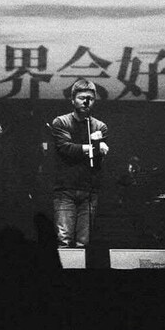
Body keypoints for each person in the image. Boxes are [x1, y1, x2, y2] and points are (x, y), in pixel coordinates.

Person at [50, 79, 109, 248]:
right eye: (82, 98)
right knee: (64, 240)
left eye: (90, 98)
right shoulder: (61, 122)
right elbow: (66, 148)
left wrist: (99, 151)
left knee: (84, 242)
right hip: (65, 189)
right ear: (72, 100)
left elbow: (98, 159)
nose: (86, 102)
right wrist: (93, 148)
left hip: (89, 190)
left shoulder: (100, 126)